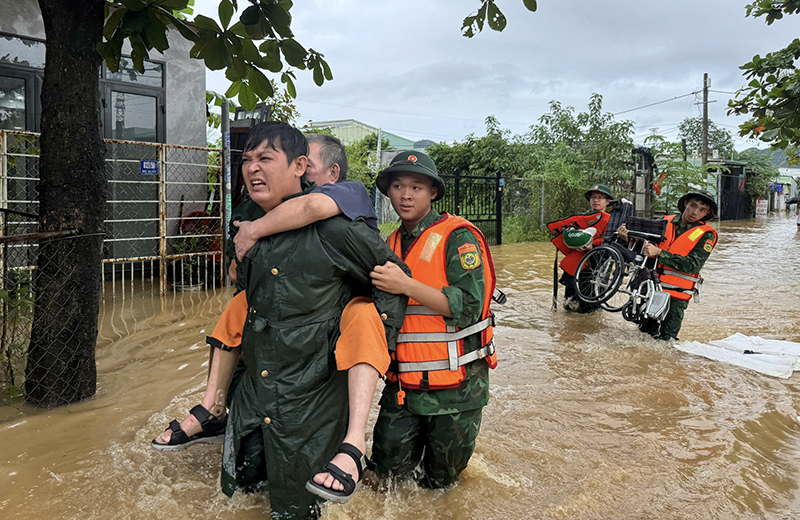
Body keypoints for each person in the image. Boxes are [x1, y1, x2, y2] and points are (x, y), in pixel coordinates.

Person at [156, 122, 409, 519]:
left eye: (266, 158)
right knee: (240, 496)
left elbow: (392, 280)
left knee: (300, 507)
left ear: (298, 166)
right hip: (254, 398)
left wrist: (377, 342)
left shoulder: (336, 228)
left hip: (311, 402)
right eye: (247, 160)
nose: (253, 168)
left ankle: (353, 449)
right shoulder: (245, 227)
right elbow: (248, 306)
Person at [367, 150, 498, 489]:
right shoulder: (391, 242)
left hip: (456, 391)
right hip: (403, 388)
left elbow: (470, 305)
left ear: (433, 193)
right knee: (386, 480)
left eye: (416, 187)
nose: (406, 195)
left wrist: (407, 285)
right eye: (397, 186)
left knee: (442, 488)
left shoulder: (459, 237)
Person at [618, 189, 718, 341]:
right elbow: (642, 250)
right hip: (651, 288)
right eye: (693, 205)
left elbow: (693, 265)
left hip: (676, 295)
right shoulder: (664, 222)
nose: (695, 212)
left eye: (702, 210)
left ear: (707, 214)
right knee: (643, 337)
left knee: (667, 341)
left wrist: (660, 253)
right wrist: (627, 239)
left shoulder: (706, 234)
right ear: (685, 204)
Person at [547, 184, 613, 313]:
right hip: (576, 265)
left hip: (597, 267)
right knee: (569, 306)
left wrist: (593, 244)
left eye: (600, 197)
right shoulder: (581, 219)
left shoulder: (612, 220)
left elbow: (611, 240)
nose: (596, 200)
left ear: (608, 201)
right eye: (593, 197)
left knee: (590, 310)